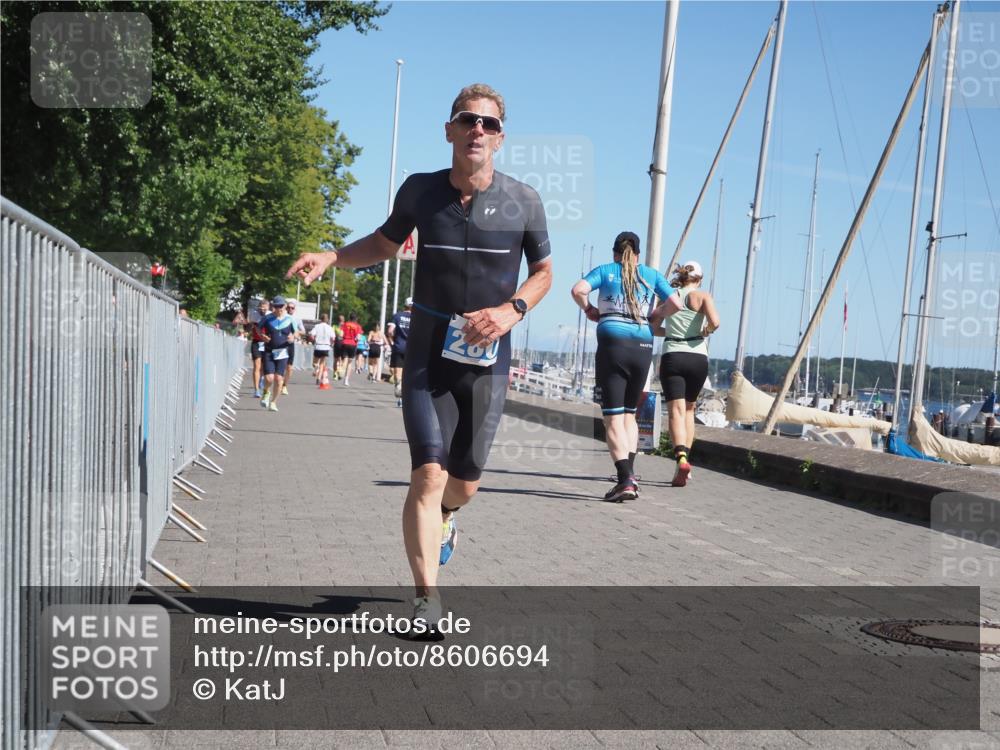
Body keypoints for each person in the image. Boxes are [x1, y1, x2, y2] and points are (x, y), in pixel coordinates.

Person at [287, 83, 552, 627]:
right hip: (429, 356)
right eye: (467, 120)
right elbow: (385, 244)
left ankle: (449, 517)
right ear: (449, 130)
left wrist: (513, 310)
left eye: (489, 124)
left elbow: (545, 273)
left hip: (487, 361)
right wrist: (332, 255)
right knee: (428, 475)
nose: (478, 129)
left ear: (501, 138)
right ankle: (427, 596)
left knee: (464, 484)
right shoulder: (420, 191)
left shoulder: (524, 200)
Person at [571, 231, 671, 502]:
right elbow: (676, 302)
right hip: (642, 348)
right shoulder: (651, 275)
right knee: (629, 415)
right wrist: (657, 315)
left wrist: (589, 309)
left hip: (612, 346)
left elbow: (577, 290)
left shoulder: (606, 270)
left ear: (615, 252)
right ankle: (630, 473)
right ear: (637, 255)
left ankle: (625, 479)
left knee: (612, 417)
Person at [649, 261, 720, 487]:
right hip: (697, 356)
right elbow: (715, 323)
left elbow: (653, 327)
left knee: (675, 412)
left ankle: (680, 458)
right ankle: (687, 461)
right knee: (689, 409)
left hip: (673, 355)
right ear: (698, 279)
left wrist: (670, 331)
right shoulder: (703, 296)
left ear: (681, 277)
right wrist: (704, 332)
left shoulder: (668, 298)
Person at [259, 296, 297, 412]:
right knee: (269, 378)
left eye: (280, 306)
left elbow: (297, 332)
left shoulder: (290, 319)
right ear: (273, 306)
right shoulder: (267, 318)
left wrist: (293, 337)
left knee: (279, 378)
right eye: (276, 306)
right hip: (269, 351)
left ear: (285, 306)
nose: (278, 309)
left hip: (283, 353)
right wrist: (262, 336)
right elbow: (257, 329)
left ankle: (273, 402)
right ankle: (266, 392)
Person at [387, 299, 413, 407]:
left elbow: (389, 331)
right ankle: (405, 397)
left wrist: (392, 341)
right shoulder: (417, 318)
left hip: (398, 346)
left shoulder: (397, 316)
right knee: (409, 373)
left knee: (398, 371)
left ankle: (399, 386)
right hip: (411, 348)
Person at [284, 300, 306, 394]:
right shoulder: (282, 316)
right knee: (279, 365)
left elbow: (303, 331)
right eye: (288, 307)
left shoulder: (297, 319)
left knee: (289, 367)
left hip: (290, 343)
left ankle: (284, 385)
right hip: (279, 343)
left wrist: (295, 332)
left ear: (294, 309)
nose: (290, 309)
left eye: (292, 308)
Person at [250, 300, 270, 398]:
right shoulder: (254, 314)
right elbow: (254, 325)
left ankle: (261, 379)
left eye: (265, 308)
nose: (263, 310)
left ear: (268, 308)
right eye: (261, 307)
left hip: (267, 343)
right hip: (257, 342)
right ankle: (256, 389)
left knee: (263, 366)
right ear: (259, 307)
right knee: (257, 365)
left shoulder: (270, 315)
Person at [310, 313, 335, 389]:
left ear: (321, 319)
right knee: (322, 363)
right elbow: (333, 338)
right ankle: (318, 378)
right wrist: (331, 343)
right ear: (327, 320)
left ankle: (316, 370)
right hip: (326, 347)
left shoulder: (317, 326)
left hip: (318, 346)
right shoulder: (330, 328)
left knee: (314, 363)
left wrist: (313, 340)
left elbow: (311, 335)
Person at [341, 313, 363, 387]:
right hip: (353, 344)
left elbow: (341, 334)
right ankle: (346, 380)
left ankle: (341, 372)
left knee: (345, 360)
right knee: (350, 362)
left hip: (345, 342)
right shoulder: (358, 326)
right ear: (356, 319)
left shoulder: (345, 324)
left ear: (349, 318)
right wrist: (355, 340)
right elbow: (359, 337)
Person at [332, 315, 346, 380]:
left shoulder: (334, 326)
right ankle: (338, 372)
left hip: (337, 343)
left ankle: (335, 374)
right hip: (342, 343)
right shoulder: (345, 326)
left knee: (336, 359)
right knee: (341, 359)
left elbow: (332, 335)